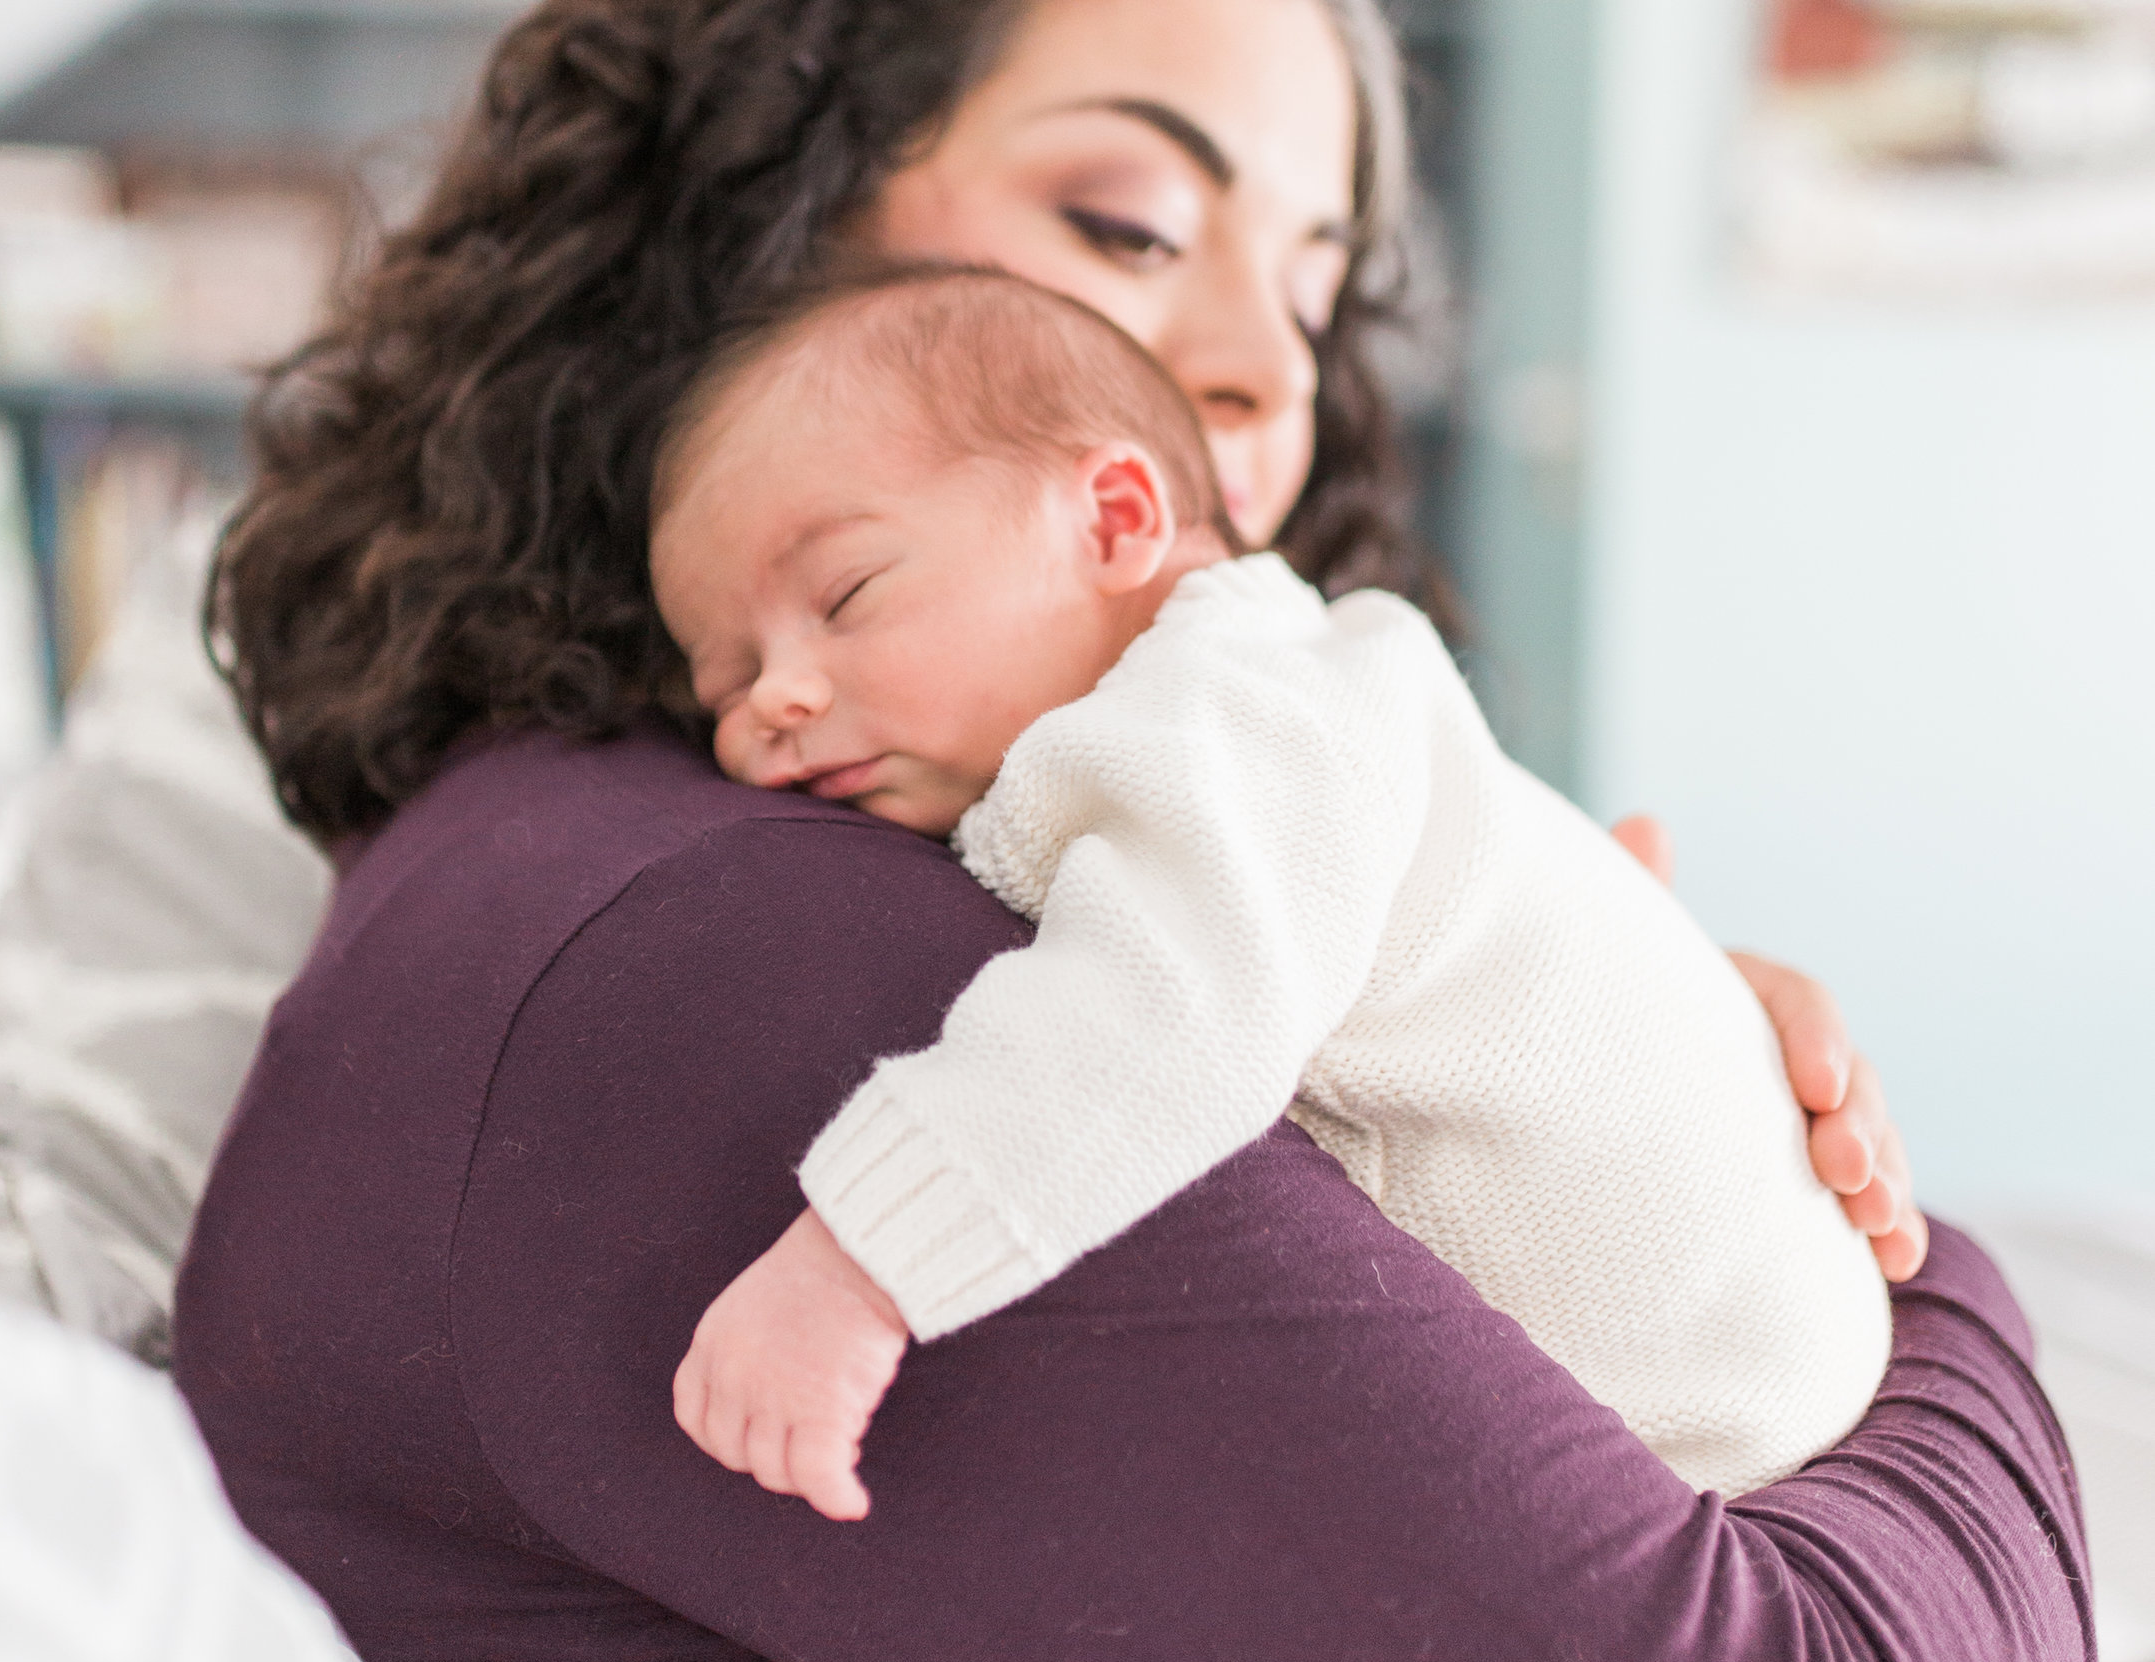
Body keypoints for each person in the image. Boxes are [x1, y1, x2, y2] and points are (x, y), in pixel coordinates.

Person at [180, 0, 2154, 1662]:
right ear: (745, 246)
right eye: (1126, 224)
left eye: (1311, 281)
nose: (1251, 369)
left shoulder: (747, 865)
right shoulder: (723, 975)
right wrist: (1924, 1279)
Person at [651, 260, 1888, 1524]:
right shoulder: (1254, 697)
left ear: (1115, 518)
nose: (773, 709)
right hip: (1739, 1378)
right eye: (727, 685)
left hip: (1701, 1403)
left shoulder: (1238, 703)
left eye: (845, 595)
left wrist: (858, 1266)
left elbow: (1165, 1013)